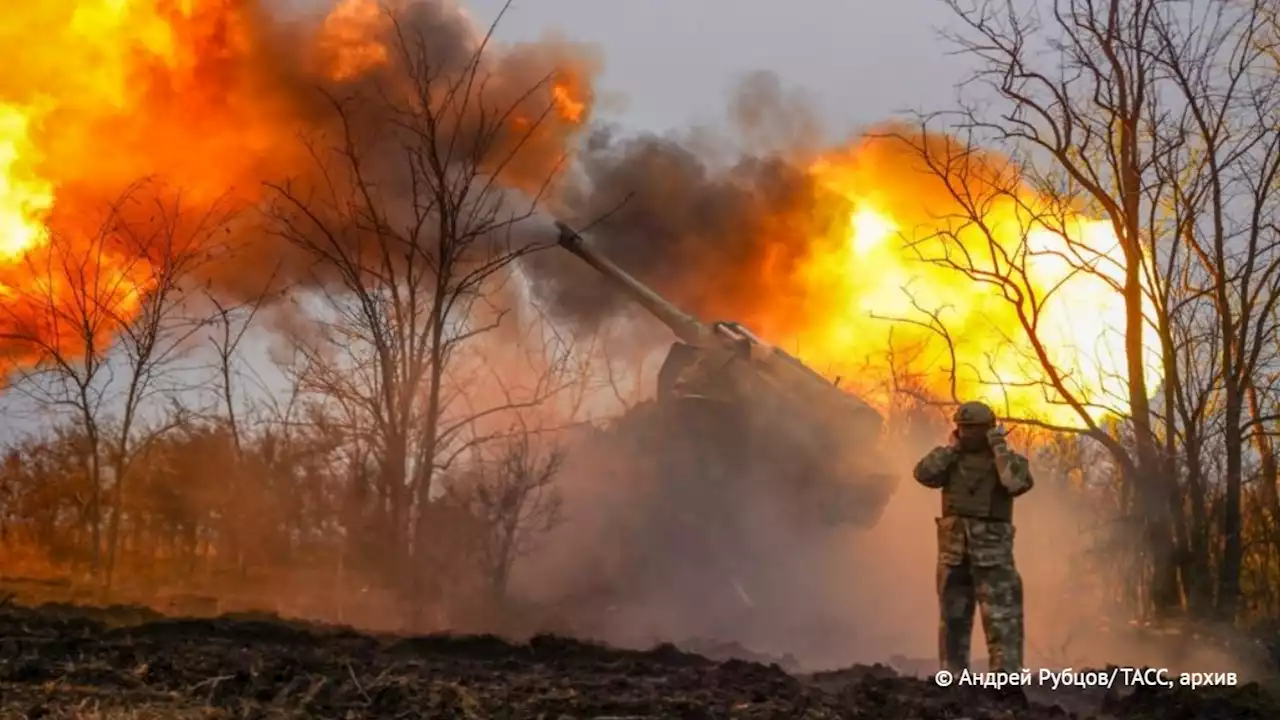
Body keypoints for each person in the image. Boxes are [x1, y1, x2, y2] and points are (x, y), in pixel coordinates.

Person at [913, 401, 1034, 674]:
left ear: (989, 430)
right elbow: (923, 474)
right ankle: (954, 680)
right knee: (953, 622)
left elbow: (1014, 483)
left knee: (1003, 624)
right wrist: (951, 449)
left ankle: (1005, 685)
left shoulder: (1008, 462)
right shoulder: (948, 460)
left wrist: (999, 448)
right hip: (953, 556)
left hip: (994, 559)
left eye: (974, 429)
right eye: (963, 428)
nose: (968, 434)